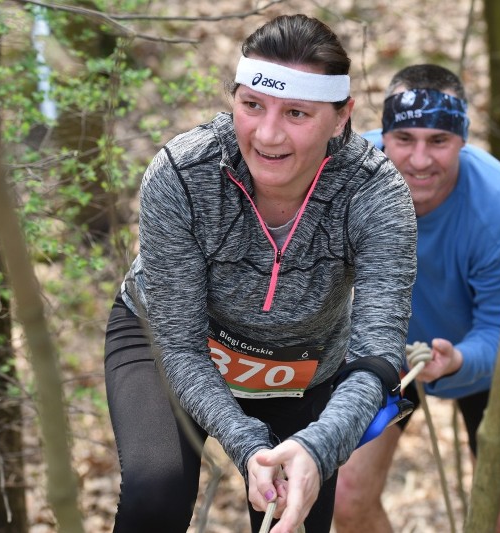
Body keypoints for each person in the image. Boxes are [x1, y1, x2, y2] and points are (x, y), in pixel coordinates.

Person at [103, 14, 418, 533]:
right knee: (154, 492)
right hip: (172, 341)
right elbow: (181, 346)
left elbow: (377, 354)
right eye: (252, 105)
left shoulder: (375, 193)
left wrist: (316, 451)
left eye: (297, 112)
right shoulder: (182, 173)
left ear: (342, 117)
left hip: (303, 366)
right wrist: (249, 445)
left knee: (294, 516)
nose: (268, 135)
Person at [333, 64, 500, 533]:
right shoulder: (349, 174)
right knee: (346, 500)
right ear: (384, 134)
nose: (420, 160)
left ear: (462, 141)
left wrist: (458, 360)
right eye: (404, 139)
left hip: (478, 353)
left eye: (438, 141)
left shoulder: (499, 206)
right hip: (383, 347)